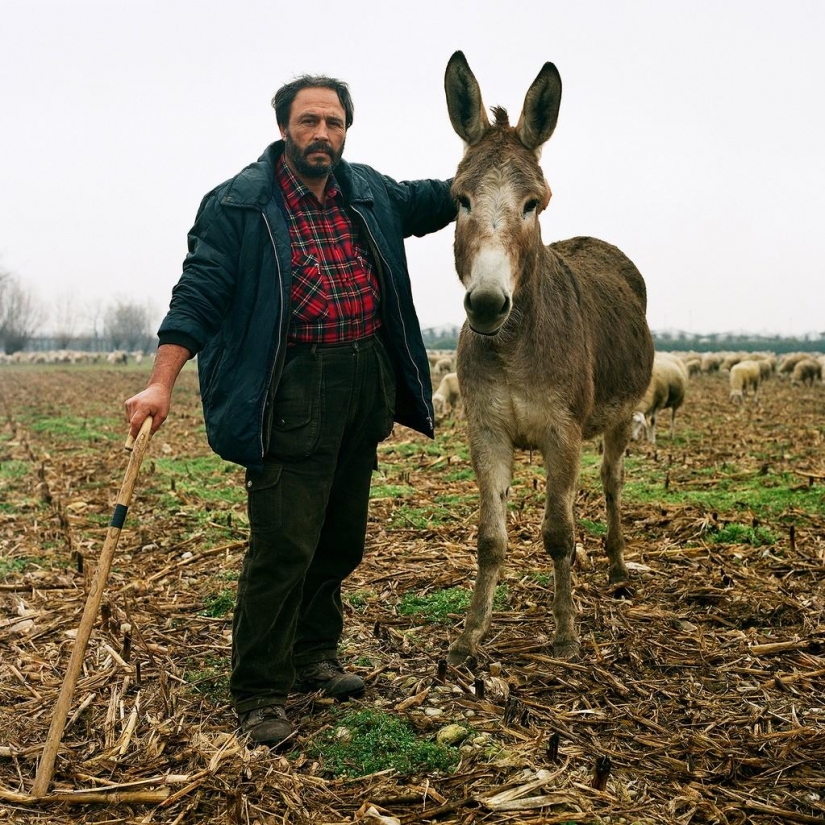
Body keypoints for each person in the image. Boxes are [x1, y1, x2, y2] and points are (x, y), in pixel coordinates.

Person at [124, 74, 456, 746]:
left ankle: (312, 655)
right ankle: (258, 691)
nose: (322, 135)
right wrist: (161, 382)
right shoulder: (239, 205)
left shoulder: (367, 191)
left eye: (333, 124)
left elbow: (442, 197)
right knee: (283, 548)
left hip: (363, 388)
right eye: (309, 122)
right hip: (289, 393)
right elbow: (198, 297)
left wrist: (507, 169)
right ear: (283, 129)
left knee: (338, 542)